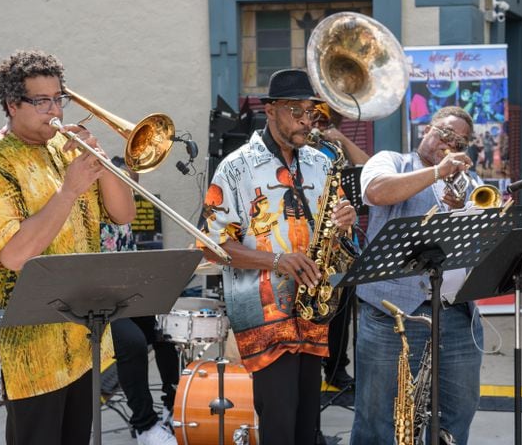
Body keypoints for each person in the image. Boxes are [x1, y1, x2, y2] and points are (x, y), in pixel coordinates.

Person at [0, 49, 136, 444]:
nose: (54, 110)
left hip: (81, 335)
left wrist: (101, 159)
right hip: (29, 349)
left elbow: (122, 214)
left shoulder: (63, 147)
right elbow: (15, 255)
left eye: (59, 98)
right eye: (41, 101)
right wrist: (70, 189)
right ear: (12, 105)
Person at [199, 68, 357, 445]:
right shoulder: (235, 168)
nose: (306, 120)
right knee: (280, 423)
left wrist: (345, 220)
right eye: (295, 111)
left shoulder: (320, 162)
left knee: (306, 424)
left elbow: (332, 234)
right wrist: (275, 261)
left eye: (311, 111)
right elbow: (211, 244)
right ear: (270, 110)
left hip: (314, 311)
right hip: (264, 313)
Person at [351, 106, 482, 444]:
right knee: (378, 418)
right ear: (426, 129)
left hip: (456, 313)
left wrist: (461, 208)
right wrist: (437, 172)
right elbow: (377, 191)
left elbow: (485, 236)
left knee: (456, 415)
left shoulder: (470, 181)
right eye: (445, 134)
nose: (449, 144)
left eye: (460, 142)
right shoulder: (391, 161)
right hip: (391, 312)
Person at [100, 222, 179, 445]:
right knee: (132, 341)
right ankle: (145, 426)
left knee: (165, 326)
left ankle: (173, 406)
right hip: (94, 297)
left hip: (127, 287)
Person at [312, 104, 369, 391]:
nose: (322, 125)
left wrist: (342, 139)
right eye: (319, 119)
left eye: (329, 120)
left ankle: (336, 370)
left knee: (341, 313)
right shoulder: (304, 151)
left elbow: (368, 167)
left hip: (344, 243)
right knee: (316, 311)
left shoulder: (336, 149)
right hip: (313, 242)